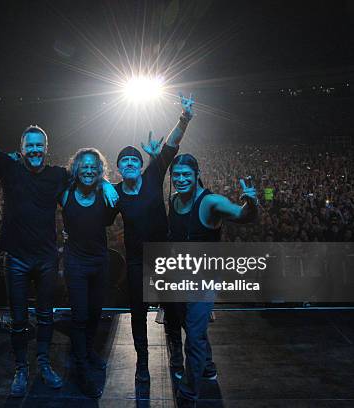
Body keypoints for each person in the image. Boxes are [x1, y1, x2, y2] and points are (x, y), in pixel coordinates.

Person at [0, 74, 118, 397]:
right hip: (18, 259)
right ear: (21, 150)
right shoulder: (8, 168)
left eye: (40, 146)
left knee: (47, 315)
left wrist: (106, 181)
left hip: (48, 258)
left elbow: (86, 173)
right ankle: (21, 370)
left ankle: (44, 363)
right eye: (30, 146)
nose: (35, 150)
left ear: (46, 149)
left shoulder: (57, 176)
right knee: (20, 317)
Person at [109, 92, 195, 397]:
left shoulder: (152, 176)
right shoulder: (115, 191)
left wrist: (183, 118)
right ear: (119, 168)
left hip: (164, 257)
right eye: (125, 160)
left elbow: (171, 147)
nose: (131, 162)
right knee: (137, 313)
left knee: (174, 311)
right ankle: (142, 363)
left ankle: (177, 358)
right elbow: (100, 216)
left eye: (134, 159)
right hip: (135, 261)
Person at [167, 153, 257, 407]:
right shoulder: (173, 201)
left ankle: (188, 394)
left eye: (186, 174)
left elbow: (242, 216)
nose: (181, 179)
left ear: (197, 175)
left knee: (193, 337)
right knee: (190, 326)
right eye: (177, 175)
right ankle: (207, 366)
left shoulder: (211, 202)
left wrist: (251, 204)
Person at [61, 148, 116, 398]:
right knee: (80, 315)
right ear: (75, 168)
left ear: (100, 169)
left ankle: (87, 351)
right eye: (84, 165)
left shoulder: (104, 193)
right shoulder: (64, 192)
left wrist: (106, 183)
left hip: (99, 262)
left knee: (95, 313)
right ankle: (81, 368)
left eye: (94, 166)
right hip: (75, 262)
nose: (89, 170)